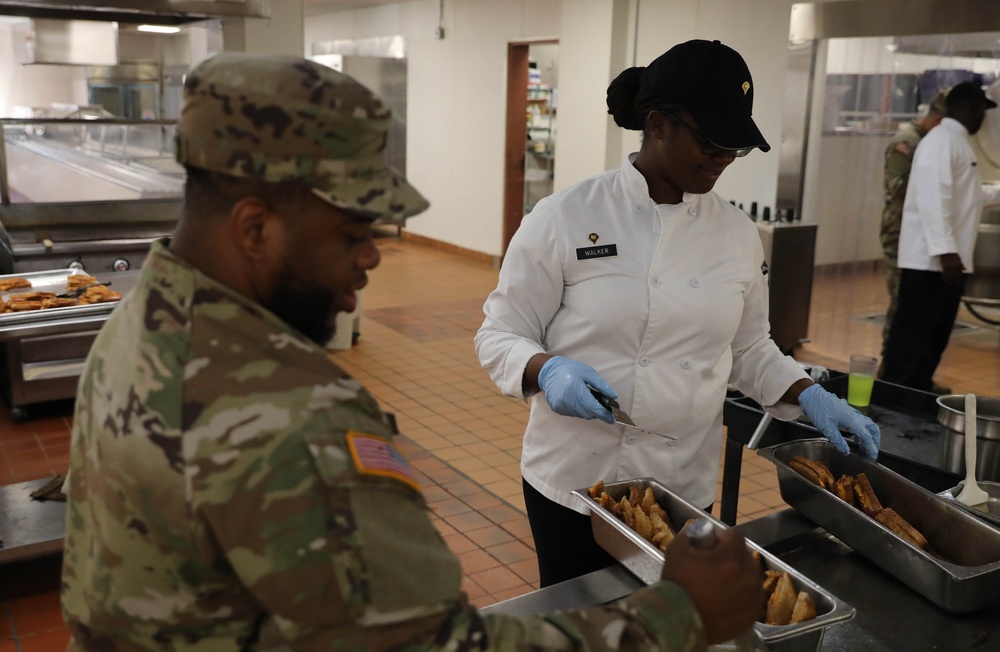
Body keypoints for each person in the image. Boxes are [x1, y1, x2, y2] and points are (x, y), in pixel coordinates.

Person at [61, 52, 765, 651]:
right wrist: (681, 615)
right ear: (254, 227)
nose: (371, 258)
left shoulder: (144, 321)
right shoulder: (287, 416)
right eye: (349, 232)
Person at [474, 39, 881, 588]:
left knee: (669, 627)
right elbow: (500, 334)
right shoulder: (565, 217)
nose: (722, 160)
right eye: (711, 142)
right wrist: (546, 368)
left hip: (680, 484)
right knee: (580, 628)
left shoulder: (737, 235)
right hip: (573, 481)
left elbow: (748, 349)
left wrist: (806, 391)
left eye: (734, 149)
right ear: (659, 123)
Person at [880, 81, 1000, 393]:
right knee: (913, 337)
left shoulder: (955, 142)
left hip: (945, 263)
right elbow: (933, 197)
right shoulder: (942, 141)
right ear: (972, 108)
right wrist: (946, 252)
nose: (983, 120)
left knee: (934, 335)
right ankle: (895, 400)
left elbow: (968, 195)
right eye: (983, 112)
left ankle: (916, 394)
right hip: (930, 262)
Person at [878, 87, 948, 390]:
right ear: (937, 119)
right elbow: (898, 188)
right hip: (900, 235)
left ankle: (914, 376)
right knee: (901, 304)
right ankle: (890, 375)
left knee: (918, 309)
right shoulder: (907, 143)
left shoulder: (928, 143)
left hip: (918, 237)